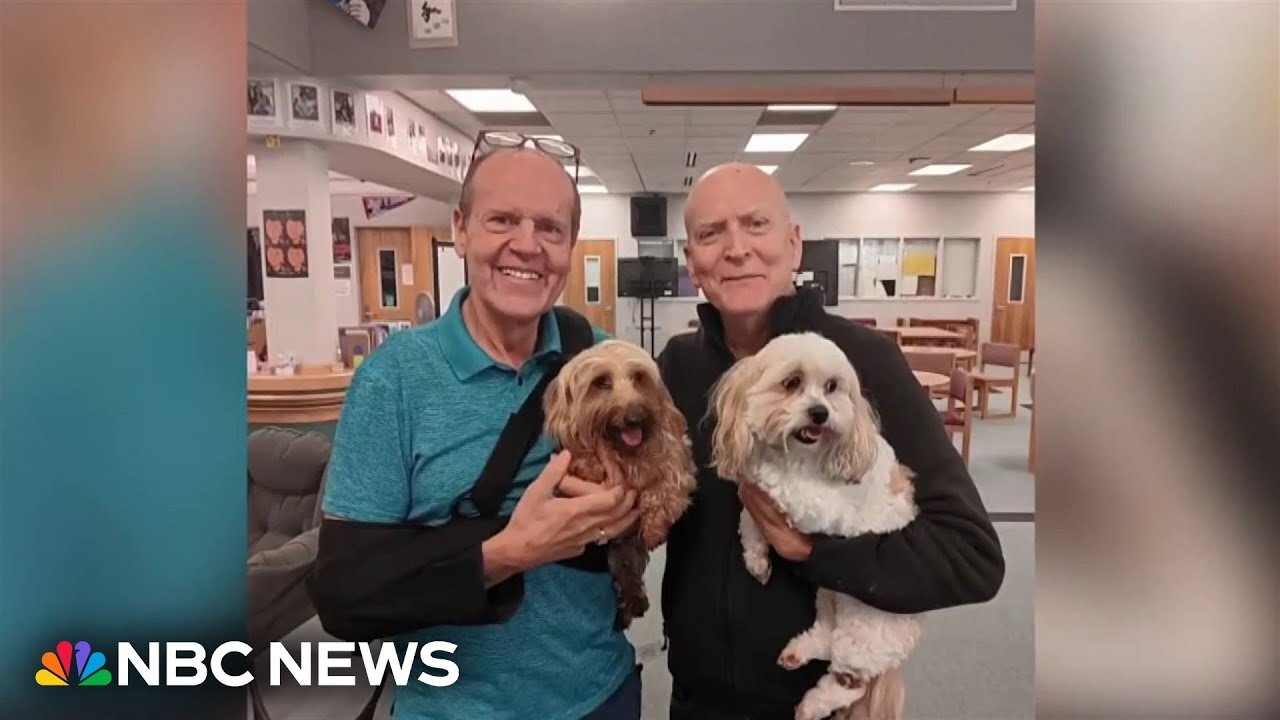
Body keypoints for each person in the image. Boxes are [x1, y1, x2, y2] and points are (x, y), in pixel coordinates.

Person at [658, 163, 1005, 719]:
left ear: (795, 245)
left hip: (820, 705)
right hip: (698, 699)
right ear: (690, 260)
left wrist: (813, 552)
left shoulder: (863, 366)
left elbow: (971, 557)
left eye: (756, 224)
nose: (736, 248)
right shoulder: (678, 365)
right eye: (711, 233)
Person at [312, 136, 641, 720]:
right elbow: (345, 598)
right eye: (503, 220)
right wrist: (512, 552)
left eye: (550, 228)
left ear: (570, 246)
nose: (527, 245)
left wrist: (627, 509)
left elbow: (666, 486)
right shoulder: (393, 381)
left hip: (600, 695)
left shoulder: (605, 363)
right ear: (461, 229)